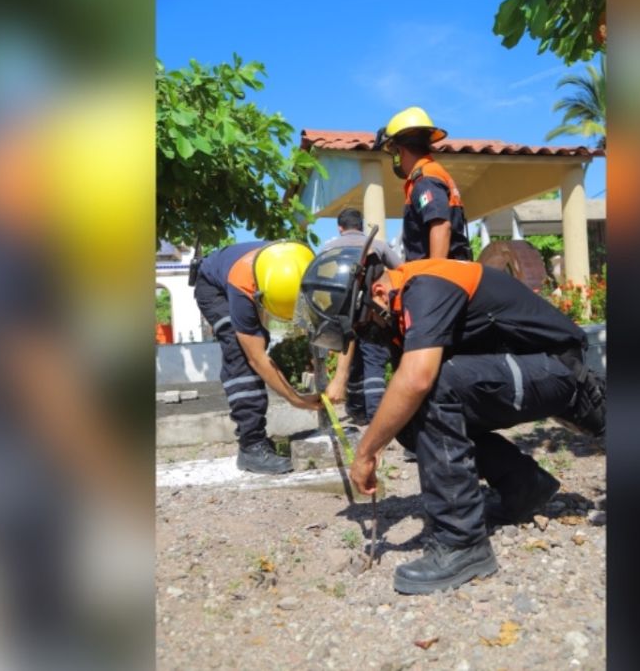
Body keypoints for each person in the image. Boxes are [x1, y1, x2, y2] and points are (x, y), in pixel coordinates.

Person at [295, 245, 605, 594]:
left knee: (431, 387)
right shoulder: (399, 310)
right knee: (408, 421)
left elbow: (418, 380)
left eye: (362, 325)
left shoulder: (425, 287)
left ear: (378, 293)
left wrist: (365, 452)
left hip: (557, 369)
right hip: (528, 369)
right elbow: (406, 395)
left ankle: (462, 543)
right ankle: (524, 487)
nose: (365, 335)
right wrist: (379, 439)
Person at [192, 240, 321, 474]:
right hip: (213, 287)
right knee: (240, 352)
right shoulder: (243, 284)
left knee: (258, 338)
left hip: (244, 278)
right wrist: (295, 399)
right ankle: (251, 446)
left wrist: (339, 379)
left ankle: (254, 441)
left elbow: (333, 328)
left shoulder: (308, 269)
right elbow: (257, 358)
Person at [320, 208, 402, 425]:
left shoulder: (328, 249)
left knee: (354, 363)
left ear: (340, 228)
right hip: (373, 314)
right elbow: (401, 270)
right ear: (361, 225)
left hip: (343, 317)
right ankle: (377, 417)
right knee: (373, 361)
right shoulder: (378, 246)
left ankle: (358, 412)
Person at [373, 107, 472, 261]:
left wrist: (433, 273)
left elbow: (441, 225)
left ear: (399, 151)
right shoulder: (431, 173)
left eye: (393, 153)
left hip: (437, 271)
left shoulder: (425, 179)